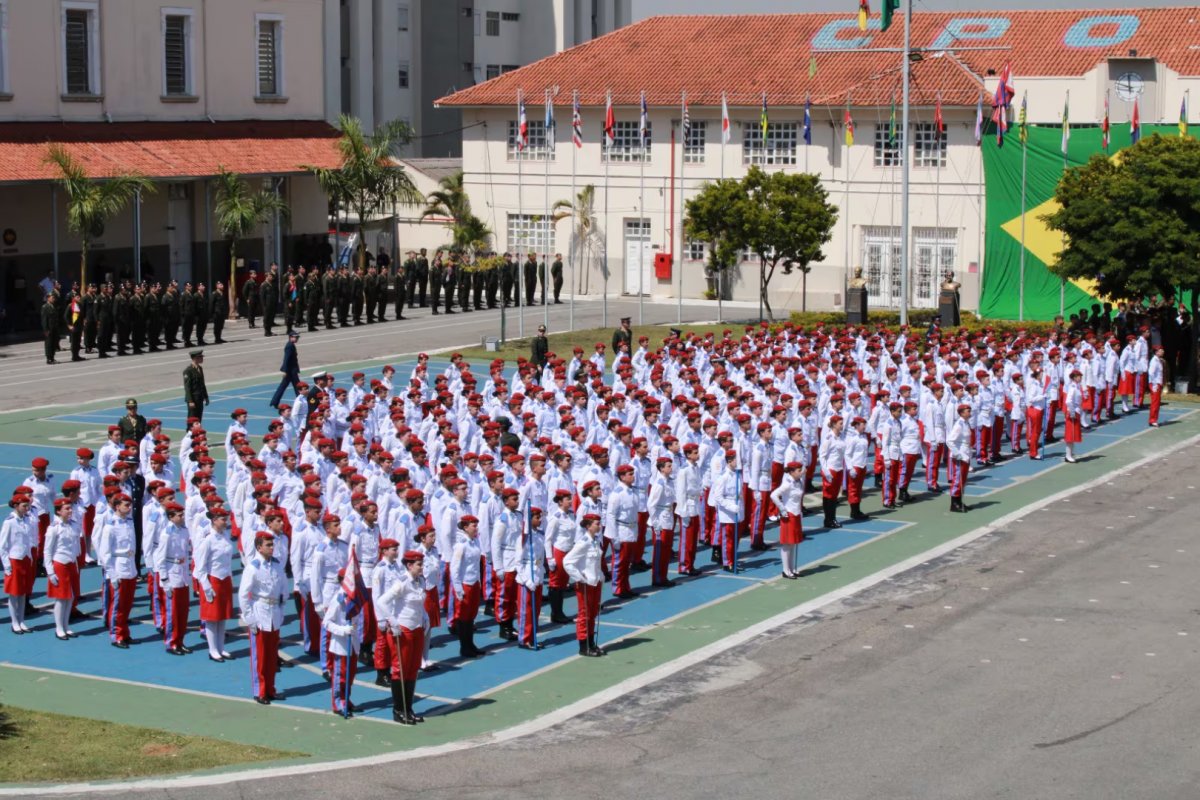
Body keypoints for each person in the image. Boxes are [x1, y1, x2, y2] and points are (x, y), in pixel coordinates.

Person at [379, 549, 428, 725]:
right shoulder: (402, 582)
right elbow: (382, 602)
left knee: (413, 668)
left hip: (416, 627)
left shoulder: (421, 580)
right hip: (403, 628)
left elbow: (419, 602)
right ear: (409, 565)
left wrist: (425, 616)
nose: (422, 567)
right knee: (401, 668)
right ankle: (398, 709)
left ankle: (409, 708)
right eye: (419, 564)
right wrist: (392, 622)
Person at [238, 531, 288, 704]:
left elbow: (283, 588)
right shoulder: (253, 567)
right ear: (259, 547)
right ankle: (260, 691)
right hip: (260, 612)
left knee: (272, 655)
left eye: (272, 544)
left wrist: (281, 609)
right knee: (260, 655)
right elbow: (243, 595)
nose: (271, 547)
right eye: (268, 545)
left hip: (274, 612)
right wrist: (250, 619)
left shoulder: (276, 565)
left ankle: (271, 689)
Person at [193, 507, 235, 661]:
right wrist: (206, 586)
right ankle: (213, 650)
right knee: (212, 618)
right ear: (214, 520)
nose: (226, 521)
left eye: (226, 518)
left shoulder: (226, 536)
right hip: (213, 580)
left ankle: (221, 648)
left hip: (225, 579)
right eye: (223, 519)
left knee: (222, 616)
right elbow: (200, 566)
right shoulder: (208, 540)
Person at [563, 513, 606, 656]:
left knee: (593, 613)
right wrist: (580, 578)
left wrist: (600, 575)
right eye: (596, 524)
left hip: (595, 582)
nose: (599, 526)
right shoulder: (583, 542)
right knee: (584, 614)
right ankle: (583, 646)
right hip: (585, 584)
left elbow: (596, 562)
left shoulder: (595, 540)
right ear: (588, 526)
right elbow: (567, 562)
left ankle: (591, 643)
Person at [43, 498, 80, 639]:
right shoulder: (54, 528)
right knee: (61, 598)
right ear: (59, 511)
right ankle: (59, 628)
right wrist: (50, 572)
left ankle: (66, 626)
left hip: (71, 563)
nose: (70, 511)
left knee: (70, 597)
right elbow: (47, 551)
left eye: (70, 508)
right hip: (60, 564)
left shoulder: (74, 525)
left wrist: (76, 563)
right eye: (67, 509)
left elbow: (75, 545)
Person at [1, 495, 36, 634]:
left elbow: (29, 540)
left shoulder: (27, 520)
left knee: (23, 593)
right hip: (15, 560)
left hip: (26, 559)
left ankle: (21, 621)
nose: (27, 508)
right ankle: (14, 622)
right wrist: (7, 565)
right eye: (24, 506)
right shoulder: (9, 522)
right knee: (14, 594)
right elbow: (2, 546)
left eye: (27, 506)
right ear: (16, 506)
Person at [769, 461, 805, 579]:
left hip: (796, 513)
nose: (801, 472)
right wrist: (782, 509)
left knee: (793, 543)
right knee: (787, 544)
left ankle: (792, 568)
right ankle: (785, 570)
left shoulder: (800, 482)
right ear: (791, 472)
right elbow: (774, 495)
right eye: (799, 471)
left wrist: (800, 512)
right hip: (788, 515)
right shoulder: (787, 483)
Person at [269, 331, 302, 409]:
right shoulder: (289, 346)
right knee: (298, 386)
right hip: (290, 371)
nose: (297, 339)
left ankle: (275, 402)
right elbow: (286, 359)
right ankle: (301, 400)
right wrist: (285, 370)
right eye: (296, 337)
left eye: (297, 337)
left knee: (289, 386)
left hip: (291, 370)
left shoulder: (291, 345)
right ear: (291, 337)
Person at [183, 350, 210, 423]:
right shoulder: (188, 371)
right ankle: (190, 432)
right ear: (195, 358)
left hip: (200, 398)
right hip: (194, 399)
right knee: (192, 418)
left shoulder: (200, 369)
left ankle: (197, 433)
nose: (202, 358)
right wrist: (190, 401)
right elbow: (187, 388)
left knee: (199, 418)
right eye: (200, 357)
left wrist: (206, 397)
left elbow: (202, 384)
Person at [41, 292, 59, 365]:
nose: (53, 299)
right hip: (49, 329)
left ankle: (52, 357)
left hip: (54, 328)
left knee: (54, 343)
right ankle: (49, 358)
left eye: (54, 298)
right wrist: (46, 330)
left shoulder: (53, 306)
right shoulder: (45, 307)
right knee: (49, 344)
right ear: (48, 298)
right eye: (52, 297)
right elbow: (44, 319)